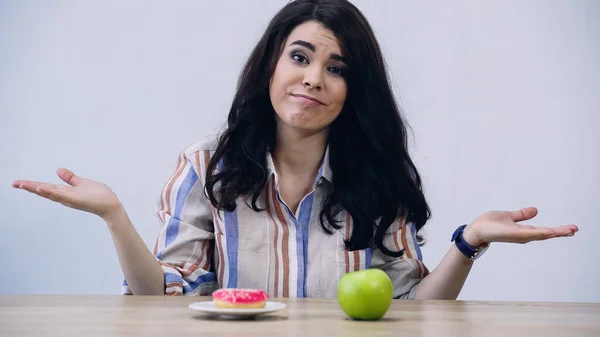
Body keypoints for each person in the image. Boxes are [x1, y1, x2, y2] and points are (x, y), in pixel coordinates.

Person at [12, 0, 577, 299]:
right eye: (300, 58)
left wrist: (470, 241)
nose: (313, 80)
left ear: (355, 91)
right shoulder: (207, 164)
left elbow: (412, 310)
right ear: (271, 66)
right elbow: (158, 296)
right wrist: (115, 216)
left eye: (336, 69)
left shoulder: (376, 175)